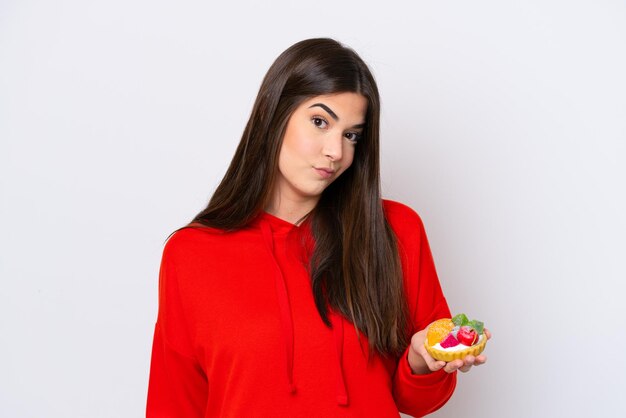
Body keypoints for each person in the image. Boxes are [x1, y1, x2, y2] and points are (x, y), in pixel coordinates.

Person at [146, 38, 489, 417]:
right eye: (320, 122)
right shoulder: (192, 253)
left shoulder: (393, 231)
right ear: (274, 115)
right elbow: (173, 403)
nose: (336, 152)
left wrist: (420, 362)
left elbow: (418, 400)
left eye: (351, 135)